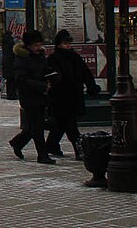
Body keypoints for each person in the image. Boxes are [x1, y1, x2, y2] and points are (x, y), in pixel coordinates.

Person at [46, 29, 100, 160]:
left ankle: (51, 145)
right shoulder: (53, 59)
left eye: (69, 43)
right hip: (60, 97)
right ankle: (79, 150)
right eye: (65, 43)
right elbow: (49, 76)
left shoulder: (75, 57)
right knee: (71, 126)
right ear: (58, 44)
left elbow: (85, 73)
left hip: (74, 95)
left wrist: (91, 86)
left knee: (61, 124)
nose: (68, 46)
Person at [8, 30, 57, 165]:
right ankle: (42, 155)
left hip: (41, 95)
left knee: (35, 125)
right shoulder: (21, 58)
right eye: (35, 45)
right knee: (37, 127)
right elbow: (22, 80)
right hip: (29, 96)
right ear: (28, 45)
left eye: (39, 44)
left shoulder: (40, 56)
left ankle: (17, 142)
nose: (38, 47)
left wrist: (53, 76)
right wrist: (41, 86)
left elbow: (44, 70)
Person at [1, 29, 17, 100]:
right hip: (11, 64)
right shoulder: (11, 43)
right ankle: (12, 94)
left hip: (6, 64)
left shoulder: (4, 43)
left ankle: (9, 94)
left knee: (9, 81)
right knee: (12, 81)